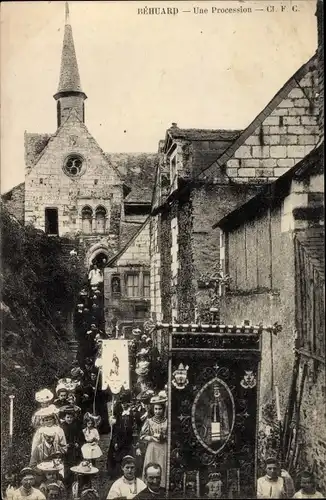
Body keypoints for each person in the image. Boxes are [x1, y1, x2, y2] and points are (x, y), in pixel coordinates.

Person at [107, 391, 140, 480]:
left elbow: (135, 428)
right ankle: (117, 473)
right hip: (119, 438)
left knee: (129, 455)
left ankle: (130, 472)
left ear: (129, 403)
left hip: (129, 439)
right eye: (122, 403)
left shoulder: (133, 414)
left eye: (126, 403)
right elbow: (115, 430)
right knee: (117, 455)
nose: (124, 405)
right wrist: (115, 441)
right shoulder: (119, 414)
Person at [139, 394, 167, 488]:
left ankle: (162, 484)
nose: (158, 411)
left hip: (163, 447)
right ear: (153, 409)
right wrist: (151, 438)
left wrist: (164, 437)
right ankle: (150, 483)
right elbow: (142, 435)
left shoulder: (167, 421)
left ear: (163, 410)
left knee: (162, 464)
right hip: (153, 447)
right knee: (151, 464)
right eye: (156, 409)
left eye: (160, 409)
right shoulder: (149, 421)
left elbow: (171, 435)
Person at [60, 407, 83, 488]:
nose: (69, 419)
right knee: (66, 465)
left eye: (71, 417)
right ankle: (66, 482)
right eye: (67, 417)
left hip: (74, 449)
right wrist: (64, 445)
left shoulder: (76, 425)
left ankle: (75, 480)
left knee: (75, 463)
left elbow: (80, 436)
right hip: (66, 449)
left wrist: (78, 443)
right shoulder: (62, 427)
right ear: (64, 418)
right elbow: (60, 438)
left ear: (74, 418)